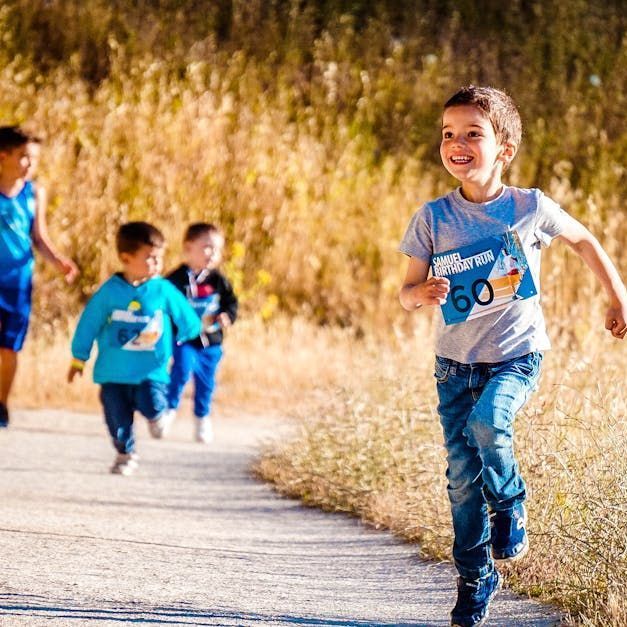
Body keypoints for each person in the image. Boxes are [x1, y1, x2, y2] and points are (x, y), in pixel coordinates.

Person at [398, 85, 627, 627]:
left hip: (515, 357)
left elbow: (584, 241)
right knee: (459, 479)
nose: (457, 144)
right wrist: (421, 294)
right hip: (453, 367)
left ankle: (511, 503)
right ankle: (475, 579)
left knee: (489, 423)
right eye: (448, 134)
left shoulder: (529, 206)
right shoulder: (432, 218)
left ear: (504, 147)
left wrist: (618, 294)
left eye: (472, 134)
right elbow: (406, 292)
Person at [67, 222, 201, 475]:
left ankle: (158, 415)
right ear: (126, 258)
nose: (157, 264)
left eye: (159, 258)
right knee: (116, 417)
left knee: (151, 403)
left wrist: (189, 333)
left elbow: (186, 317)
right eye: (150, 258)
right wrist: (78, 359)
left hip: (151, 370)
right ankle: (125, 454)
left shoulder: (162, 289)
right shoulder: (109, 293)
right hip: (113, 372)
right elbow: (88, 325)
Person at [0, 126, 79, 428]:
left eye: (34, 158)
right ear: (3, 156)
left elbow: (38, 236)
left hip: (17, 282)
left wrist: (58, 260)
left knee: (9, 347)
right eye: (23, 157)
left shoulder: (34, 192)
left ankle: (2, 403)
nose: (30, 164)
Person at [164, 223, 238, 443]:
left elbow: (231, 303)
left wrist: (227, 316)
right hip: (184, 339)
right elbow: (164, 304)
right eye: (206, 247)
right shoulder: (175, 279)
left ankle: (202, 418)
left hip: (211, 341)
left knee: (206, 382)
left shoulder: (218, 280)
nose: (212, 254)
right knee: (181, 370)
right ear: (188, 248)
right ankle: (168, 411)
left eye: (216, 249)